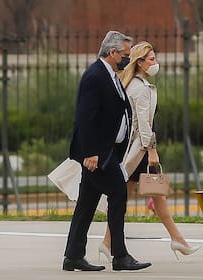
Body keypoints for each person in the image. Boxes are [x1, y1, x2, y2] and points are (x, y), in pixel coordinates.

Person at [97, 41, 200, 262]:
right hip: (140, 151)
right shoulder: (141, 88)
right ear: (140, 63)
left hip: (136, 151)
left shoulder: (132, 84)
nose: (156, 63)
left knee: (142, 197)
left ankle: (175, 239)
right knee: (132, 197)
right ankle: (176, 239)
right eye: (151, 59)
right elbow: (144, 124)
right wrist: (152, 150)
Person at [63, 31, 151, 271]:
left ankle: (73, 256)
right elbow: (85, 117)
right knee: (118, 193)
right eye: (124, 54)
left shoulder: (111, 75)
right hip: (98, 155)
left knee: (86, 204)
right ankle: (120, 256)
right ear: (112, 53)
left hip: (107, 152)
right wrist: (90, 153)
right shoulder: (95, 76)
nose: (127, 59)